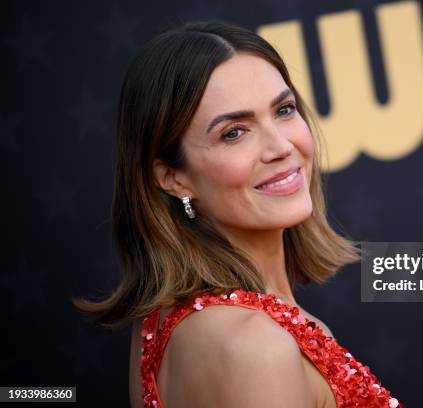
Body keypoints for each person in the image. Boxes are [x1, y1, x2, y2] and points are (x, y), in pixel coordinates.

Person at [74, 20, 403, 408]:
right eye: (234, 132)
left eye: (284, 110)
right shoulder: (256, 348)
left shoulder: (164, 318)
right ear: (173, 178)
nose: (280, 146)